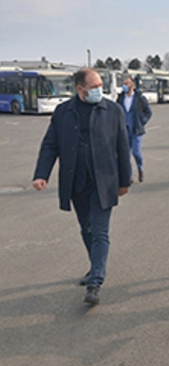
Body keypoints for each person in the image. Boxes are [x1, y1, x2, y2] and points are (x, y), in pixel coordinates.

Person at [32, 68, 131, 306]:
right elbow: (50, 145)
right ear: (80, 89)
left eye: (100, 84)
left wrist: (124, 181)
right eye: (95, 85)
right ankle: (94, 266)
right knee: (86, 229)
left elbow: (123, 147)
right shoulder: (63, 112)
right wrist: (41, 174)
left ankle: (95, 281)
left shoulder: (112, 110)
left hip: (104, 181)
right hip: (76, 182)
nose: (100, 89)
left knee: (100, 232)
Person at [116, 76, 152, 183]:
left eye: (127, 84)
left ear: (132, 85)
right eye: (124, 84)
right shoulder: (120, 98)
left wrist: (142, 122)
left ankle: (140, 169)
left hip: (136, 129)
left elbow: (148, 112)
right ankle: (129, 175)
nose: (124, 86)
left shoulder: (139, 98)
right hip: (124, 129)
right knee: (126, 154)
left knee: (136, 152)